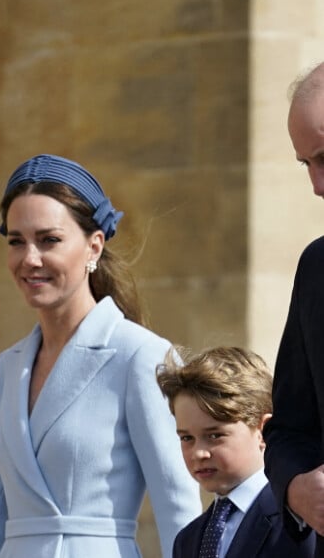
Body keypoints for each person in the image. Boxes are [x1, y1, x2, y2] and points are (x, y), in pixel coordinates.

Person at [0, 154, 202, 558]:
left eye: (49, 240)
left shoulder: (141, 355)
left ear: (94, 246)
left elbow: (177, 508)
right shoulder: (8, 367)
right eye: (15, 241)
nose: (29, 258)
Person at [156, 346, 315, 557]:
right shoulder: (188, 540)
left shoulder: (299, 519)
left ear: (263, 430)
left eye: (215, 436)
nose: (198, 453)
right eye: (187, 438)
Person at [263, 60, 324, 556]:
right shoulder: (317, 269)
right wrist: (298, 488)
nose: (318, 186)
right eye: (306, 163)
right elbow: (288, 431)